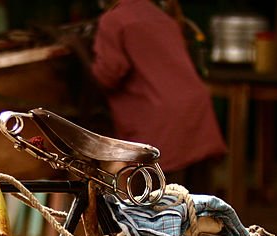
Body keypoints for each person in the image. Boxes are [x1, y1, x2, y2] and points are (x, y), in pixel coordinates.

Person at [88, 0, 225, 189]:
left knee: (157, 206)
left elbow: (110, 73)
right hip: (196, 114)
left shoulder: (114, 20)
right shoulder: (161, 16)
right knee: (196, 204)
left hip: (161, 122)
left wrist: (86, 68)